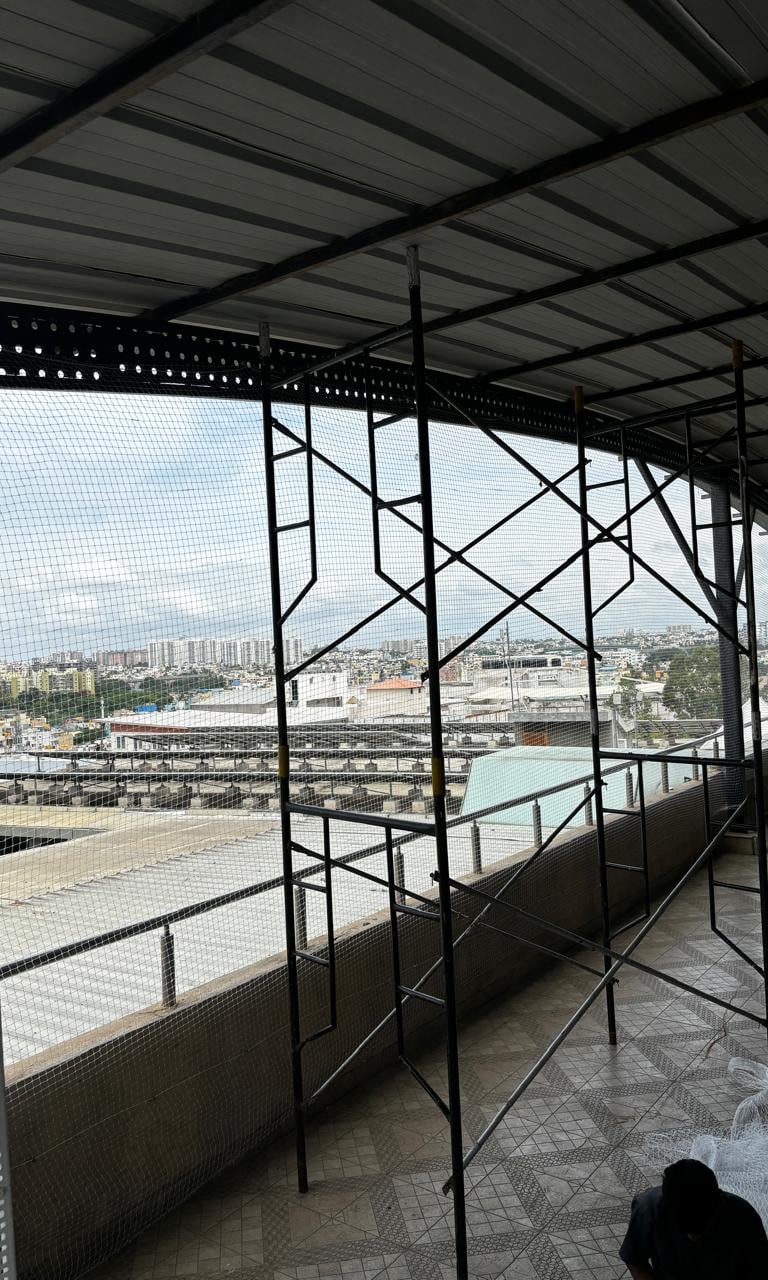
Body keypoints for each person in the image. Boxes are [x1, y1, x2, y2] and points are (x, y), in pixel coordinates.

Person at [619, 1158, 768, 1278]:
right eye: (686, 1230)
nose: (694, 1238)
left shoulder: (745, 1219)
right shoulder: (649, 1209)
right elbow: (634, 1260)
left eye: (702, 1228)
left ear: (720, 1202)